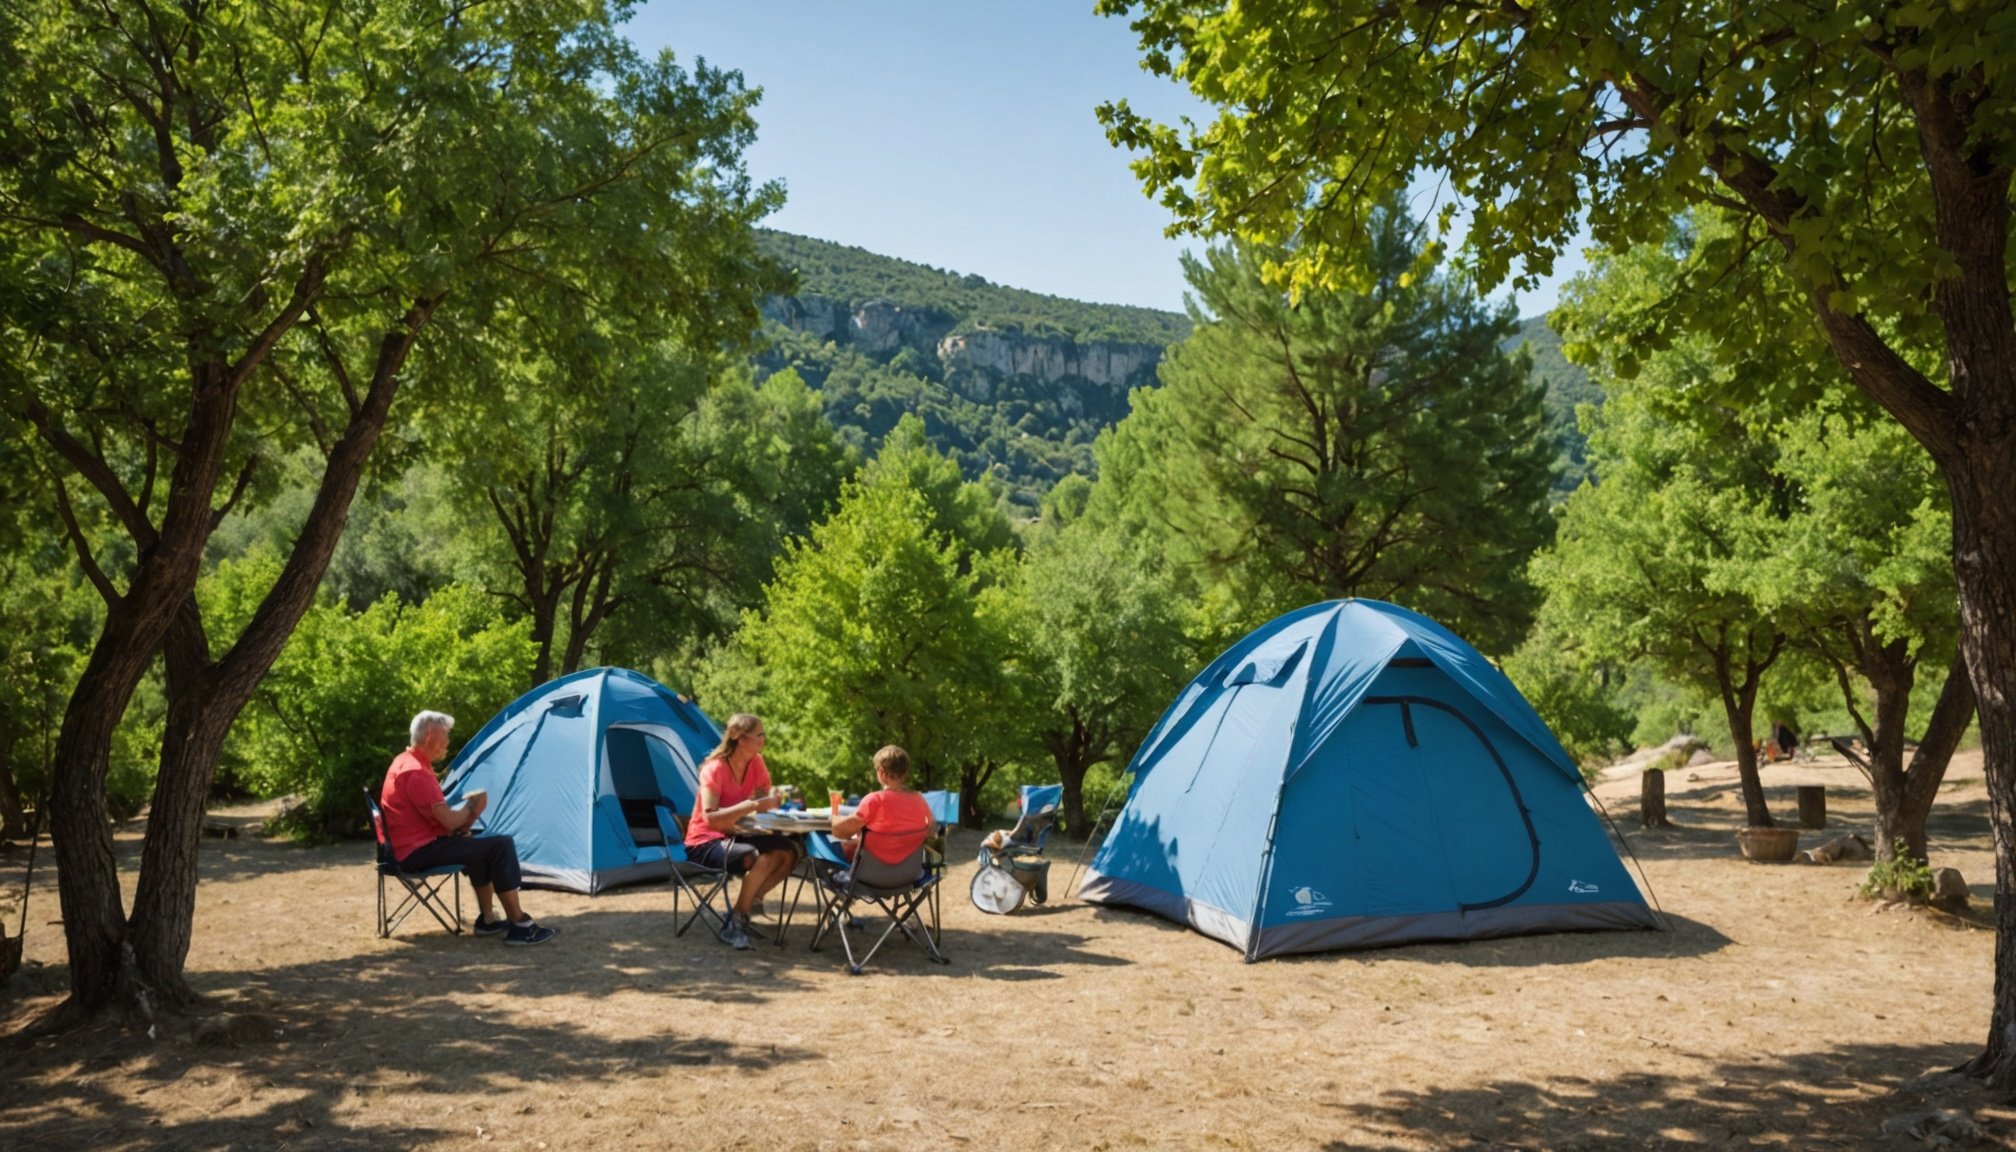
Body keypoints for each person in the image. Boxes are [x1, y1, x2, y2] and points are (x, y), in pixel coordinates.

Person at [381, 710, 556, 946]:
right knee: (501, 845)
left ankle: (488, 919)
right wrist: (474, 804)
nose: (448, 742)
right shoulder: (415, 772)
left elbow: (442, 822)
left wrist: (469, 818)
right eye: (445, 736)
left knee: (481, 847)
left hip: (412, 846)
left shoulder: (405, 762)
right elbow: (450, 822)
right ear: (430, 735)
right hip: (415, 853)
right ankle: (520, 924)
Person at [686, 713, 799, 950]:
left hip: (737, 833)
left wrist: (771, 801)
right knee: (757, 856)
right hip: (705, 840)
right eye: (759, 735)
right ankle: (735, 921)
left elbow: (761, 799)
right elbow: (711, 819)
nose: (763, 740)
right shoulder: (714, 769)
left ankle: (745, 907)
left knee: (789, 851)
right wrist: (749, 806)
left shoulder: (756, 762)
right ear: (741, 738)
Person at [830, 745, 935, 868]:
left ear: (880, 772)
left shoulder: (875, 800)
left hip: (873, 876)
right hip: (907, 874)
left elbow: (840, 832)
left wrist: (833, 818)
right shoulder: (919, 800)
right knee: (857, 842)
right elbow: (930, 830)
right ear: (906, 772)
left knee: (829, 846)